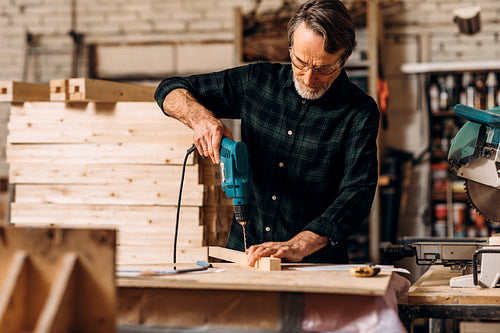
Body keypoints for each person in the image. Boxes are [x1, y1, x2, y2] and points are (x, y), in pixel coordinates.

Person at [154, 0, 379, 266]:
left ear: (345, 57)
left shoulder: (359, 111)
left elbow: (357, 192)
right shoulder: (257, 82)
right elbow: (168, 90)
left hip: (313, 262)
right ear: (290, 48)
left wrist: (299, 243)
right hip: (243, 252)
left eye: (323, 68)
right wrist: (201, 118)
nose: (308, 78)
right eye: (300, 62)